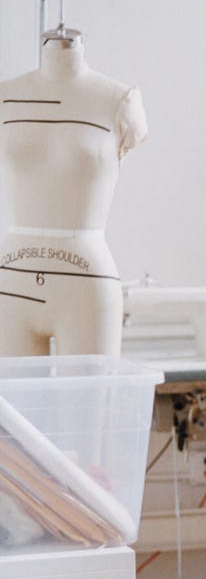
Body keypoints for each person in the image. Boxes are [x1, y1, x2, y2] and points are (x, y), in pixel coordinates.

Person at [0, 37, 147, 357]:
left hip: (85, 284)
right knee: (10, 407)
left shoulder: (120, 100)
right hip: (11, 283)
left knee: (88, 407)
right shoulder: (5, 97)